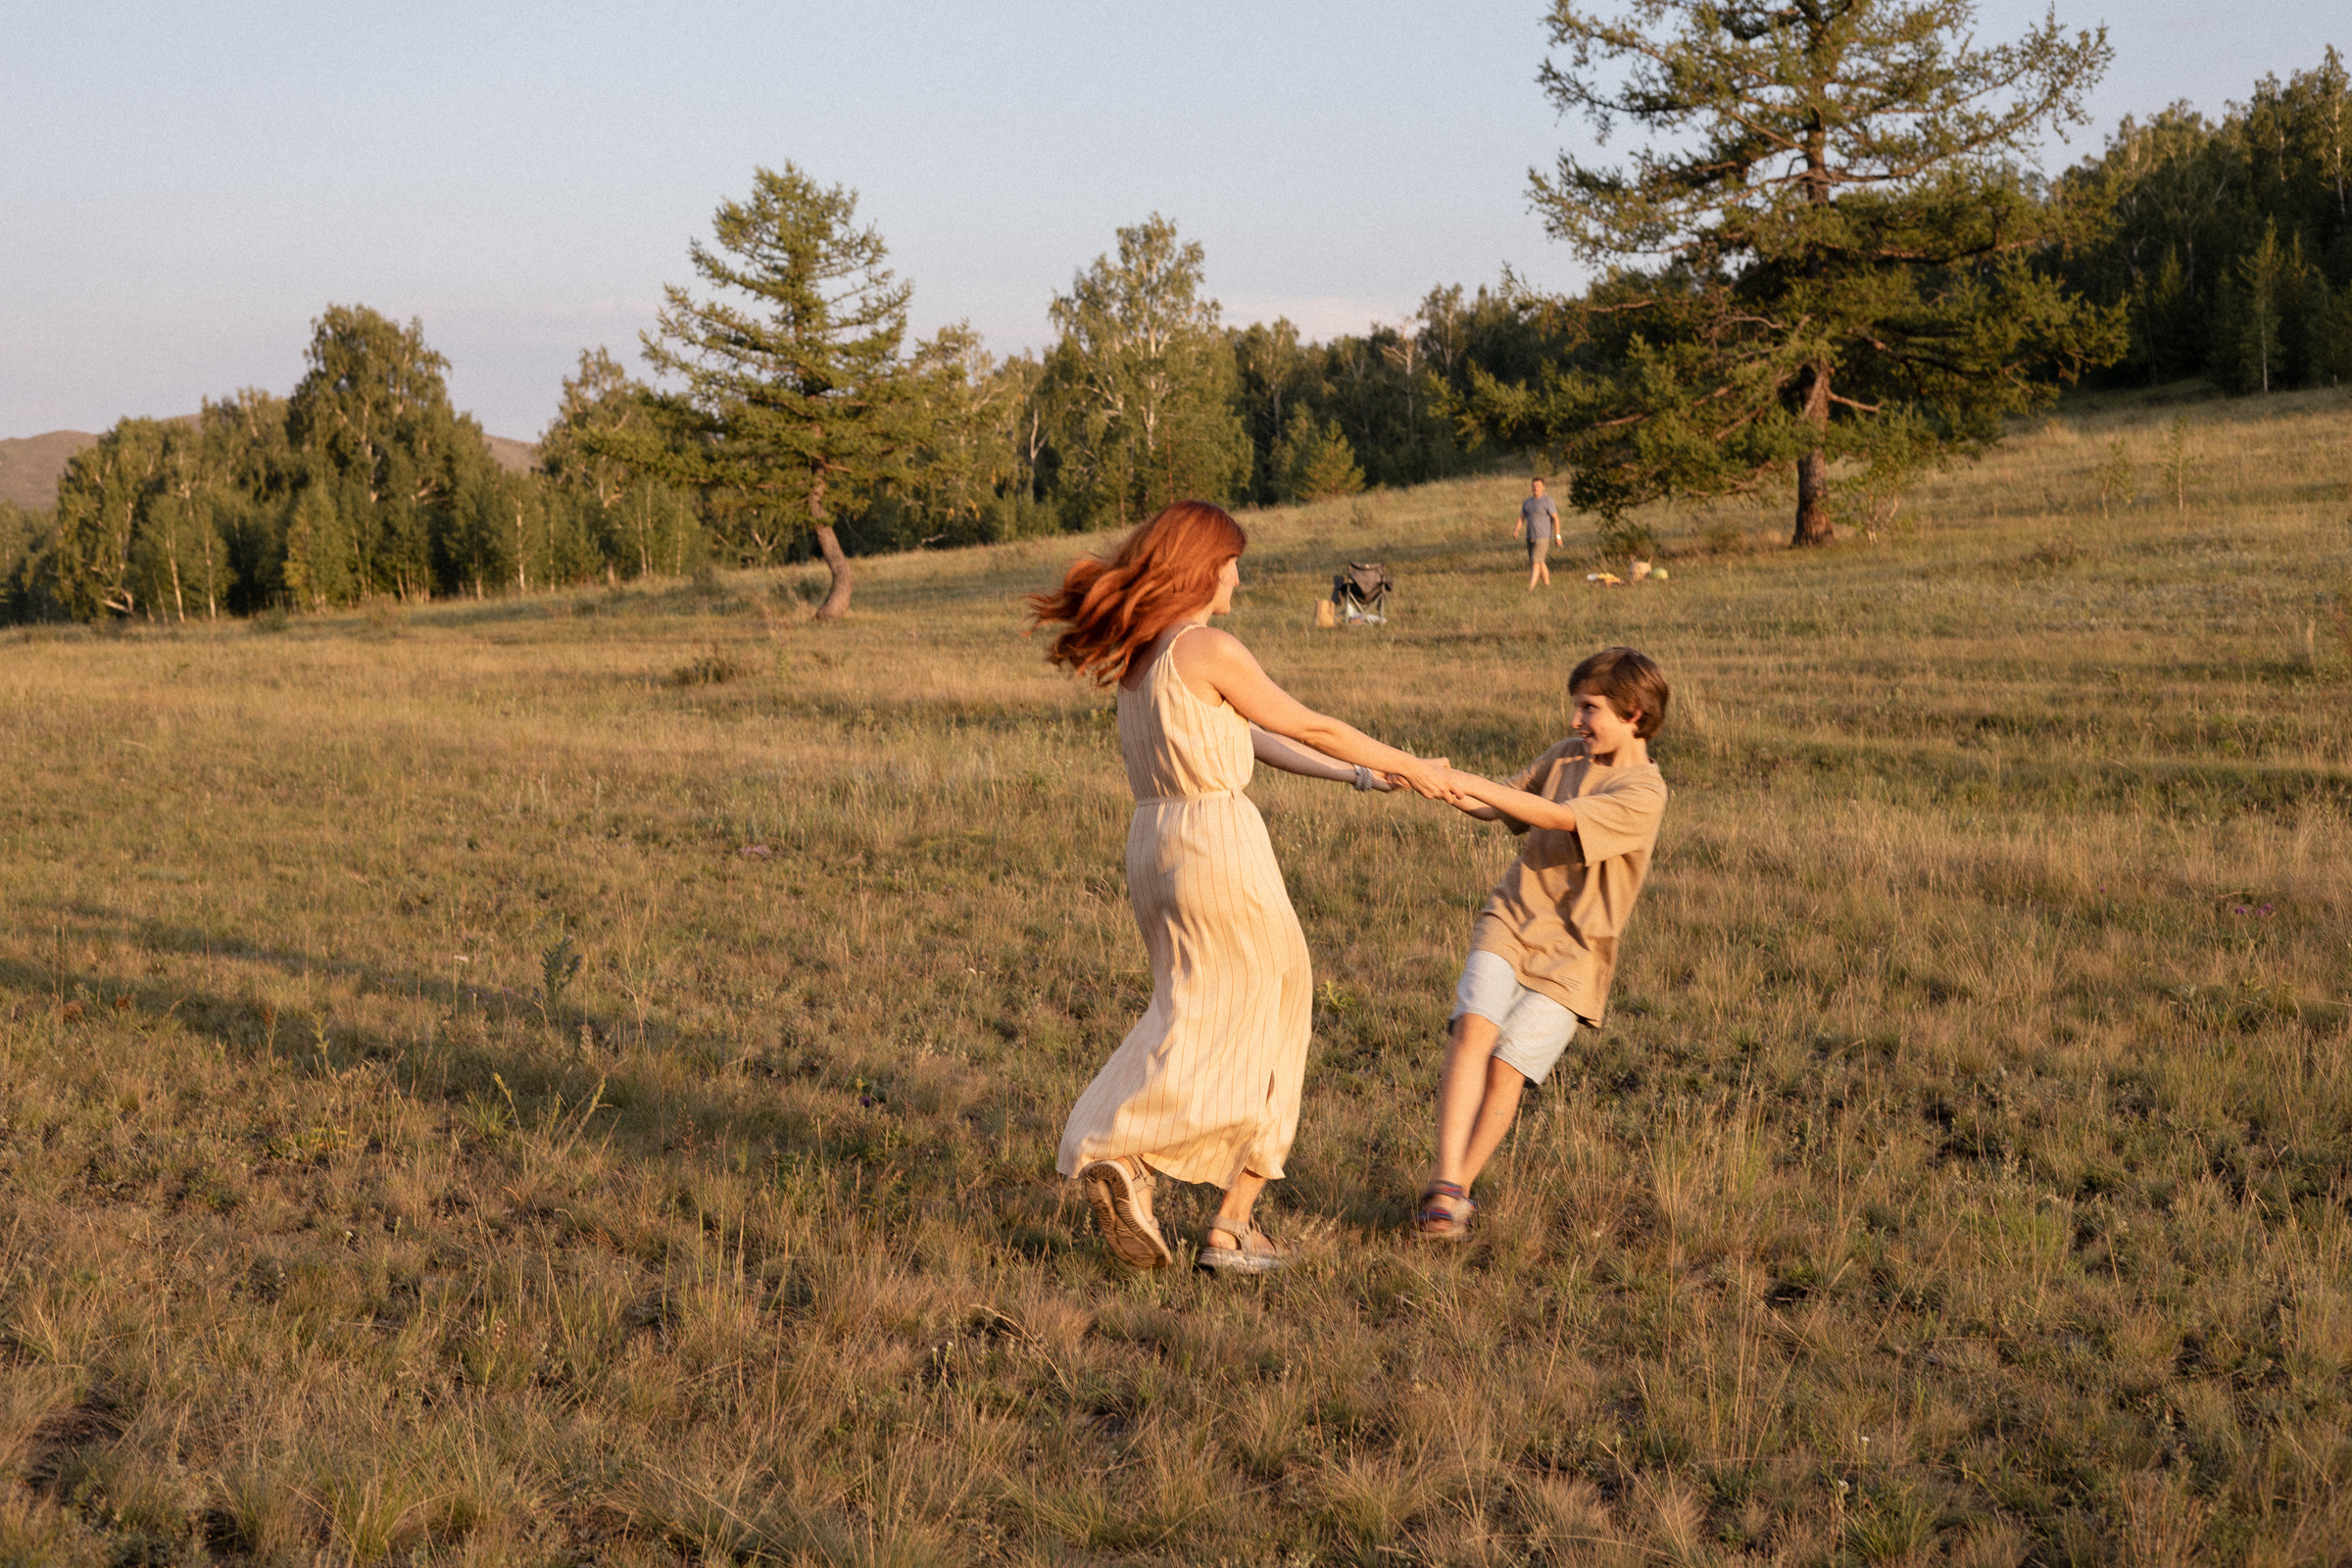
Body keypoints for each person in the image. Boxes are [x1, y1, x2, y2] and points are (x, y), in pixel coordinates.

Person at [1029, 501, 1455, 1275]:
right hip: (1219, 846)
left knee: (1188, 1007)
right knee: (1276, 1010)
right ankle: (1172, 1185)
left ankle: (1158, 1176)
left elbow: (1252, 734)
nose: (1238, 575)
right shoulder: (1208, 646)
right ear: (1199, 568)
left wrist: (1363, 776)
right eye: (1230, 561)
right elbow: (1311, 722)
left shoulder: (1145, 656)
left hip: (1156, 845)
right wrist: (1413, 764)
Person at [1415, 647, 1671, 1239]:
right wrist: (1435, 784)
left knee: (1508, 1069)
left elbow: (1554, 819)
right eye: (1576, 707)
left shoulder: (1643, 790)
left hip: (1579, 952)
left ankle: (1459, 1190)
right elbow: (1500, 800)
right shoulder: (1564, 757)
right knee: (1473, 1027)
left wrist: (1465, 781)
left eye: (1590, 708)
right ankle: (1444, 1183)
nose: (1576, 721)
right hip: (1513, 915)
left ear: (1634, 712)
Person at [1515, 477, 1561, 590]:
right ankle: (1548, 585)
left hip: (1543, 537)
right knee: (1539, 562)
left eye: (1538, 486)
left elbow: (1556, 519)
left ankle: (1529, 589)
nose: (1535, 488)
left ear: (1543, 487)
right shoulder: (1528, 502)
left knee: (1535, 562)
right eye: (1533, 486)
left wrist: (1558, 536)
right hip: (1530, 536)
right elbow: (1521, 518)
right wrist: (1516, 530)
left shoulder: (1548, 501)